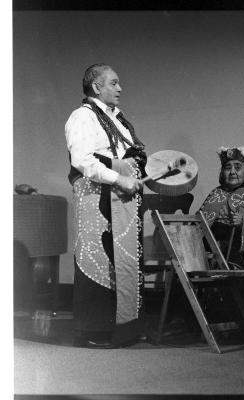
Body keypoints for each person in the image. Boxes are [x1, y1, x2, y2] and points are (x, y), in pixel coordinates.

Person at [65, 64, 147, 348]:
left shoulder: (119, 120)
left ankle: (123, 327)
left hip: (123, 199)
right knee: (99, 256)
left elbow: (125, 154)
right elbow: (83, 160)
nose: (120, 88)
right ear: (96, 87)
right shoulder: (82, 117)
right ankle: (93, 330)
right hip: (97, 197)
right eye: (113, 83)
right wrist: (118, 178)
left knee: (123, 260)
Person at [200, 146, 244, 270]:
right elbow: (199, 224)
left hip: (242, 258)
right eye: (227, 168)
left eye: (237, 167)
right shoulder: (216, 192)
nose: (232, 172)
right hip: (210, 257)